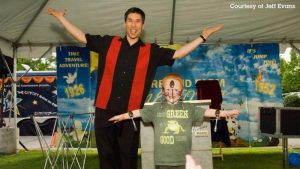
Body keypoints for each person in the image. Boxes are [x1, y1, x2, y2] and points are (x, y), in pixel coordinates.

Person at [48, 7, 223, 169]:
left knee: (128, 158)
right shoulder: (108, 43)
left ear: (142, 25)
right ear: (125, 23)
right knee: (106, 158)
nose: (133, 25)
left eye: (137, 21)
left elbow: (179, 53)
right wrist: (61, 18)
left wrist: (203, 37)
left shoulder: (151, 51)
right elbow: (81, 37)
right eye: (130, 20)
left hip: (130, 115)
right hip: (104, 111)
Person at [109, 73, 239, 169]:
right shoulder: (155, 108)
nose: (172, 93)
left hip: (183, 159)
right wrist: (123, 116)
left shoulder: (189, 108)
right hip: (163, 160)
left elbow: (207, 112)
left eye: (176, 90)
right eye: (168, 89)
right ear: (162, 91)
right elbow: (139, 112)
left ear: (181, 91)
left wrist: (225, 113)